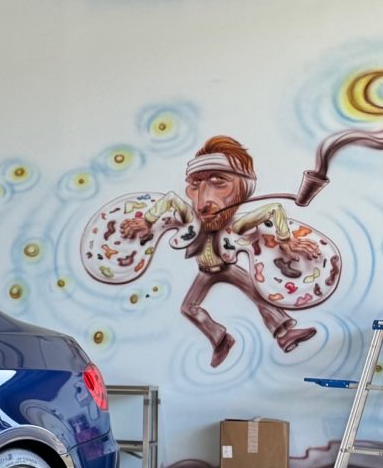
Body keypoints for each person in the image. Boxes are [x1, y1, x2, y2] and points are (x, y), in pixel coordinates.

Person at [119, 136, 322, 366]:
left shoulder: (236, 224)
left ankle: (285, 334)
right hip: (205, 271)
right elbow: (171, 199)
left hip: (227, 267)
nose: (203, 201)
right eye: (195, 184)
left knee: (260, 296)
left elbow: (274, 208)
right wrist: (147, 221)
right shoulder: (192, 219)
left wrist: (286, 240)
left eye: (218, 181)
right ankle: (220, 338)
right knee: (188, 308)